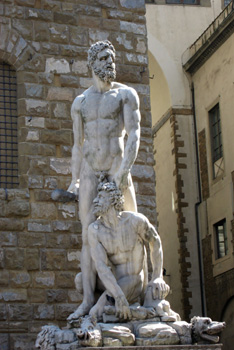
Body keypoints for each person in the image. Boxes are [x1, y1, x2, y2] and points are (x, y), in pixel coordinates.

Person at [67, 40, 141, 320]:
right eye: (103, 57)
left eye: (112, 57)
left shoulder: (125, 95)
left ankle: (140, 287)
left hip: (116, 168)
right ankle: (88, 300)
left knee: (132, 222)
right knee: (88, 233)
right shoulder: (81, 103)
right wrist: (74, 180)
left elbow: (133, 134)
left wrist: (122, 174)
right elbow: (77, 145)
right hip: (89, 171)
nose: (110, 62)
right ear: (92, 63)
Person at [86, 181, 170, 320]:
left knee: (95, 314)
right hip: (111, 280)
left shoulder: (134, 221)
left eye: (100, 197)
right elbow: (101, 267)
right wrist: (118, 296)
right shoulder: (95, 230)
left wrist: (157, 277)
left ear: (113, 200)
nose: (95, 200)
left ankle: (123, 307)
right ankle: (122, 305)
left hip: (133, 279)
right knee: (79, 281)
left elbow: (155, 242)